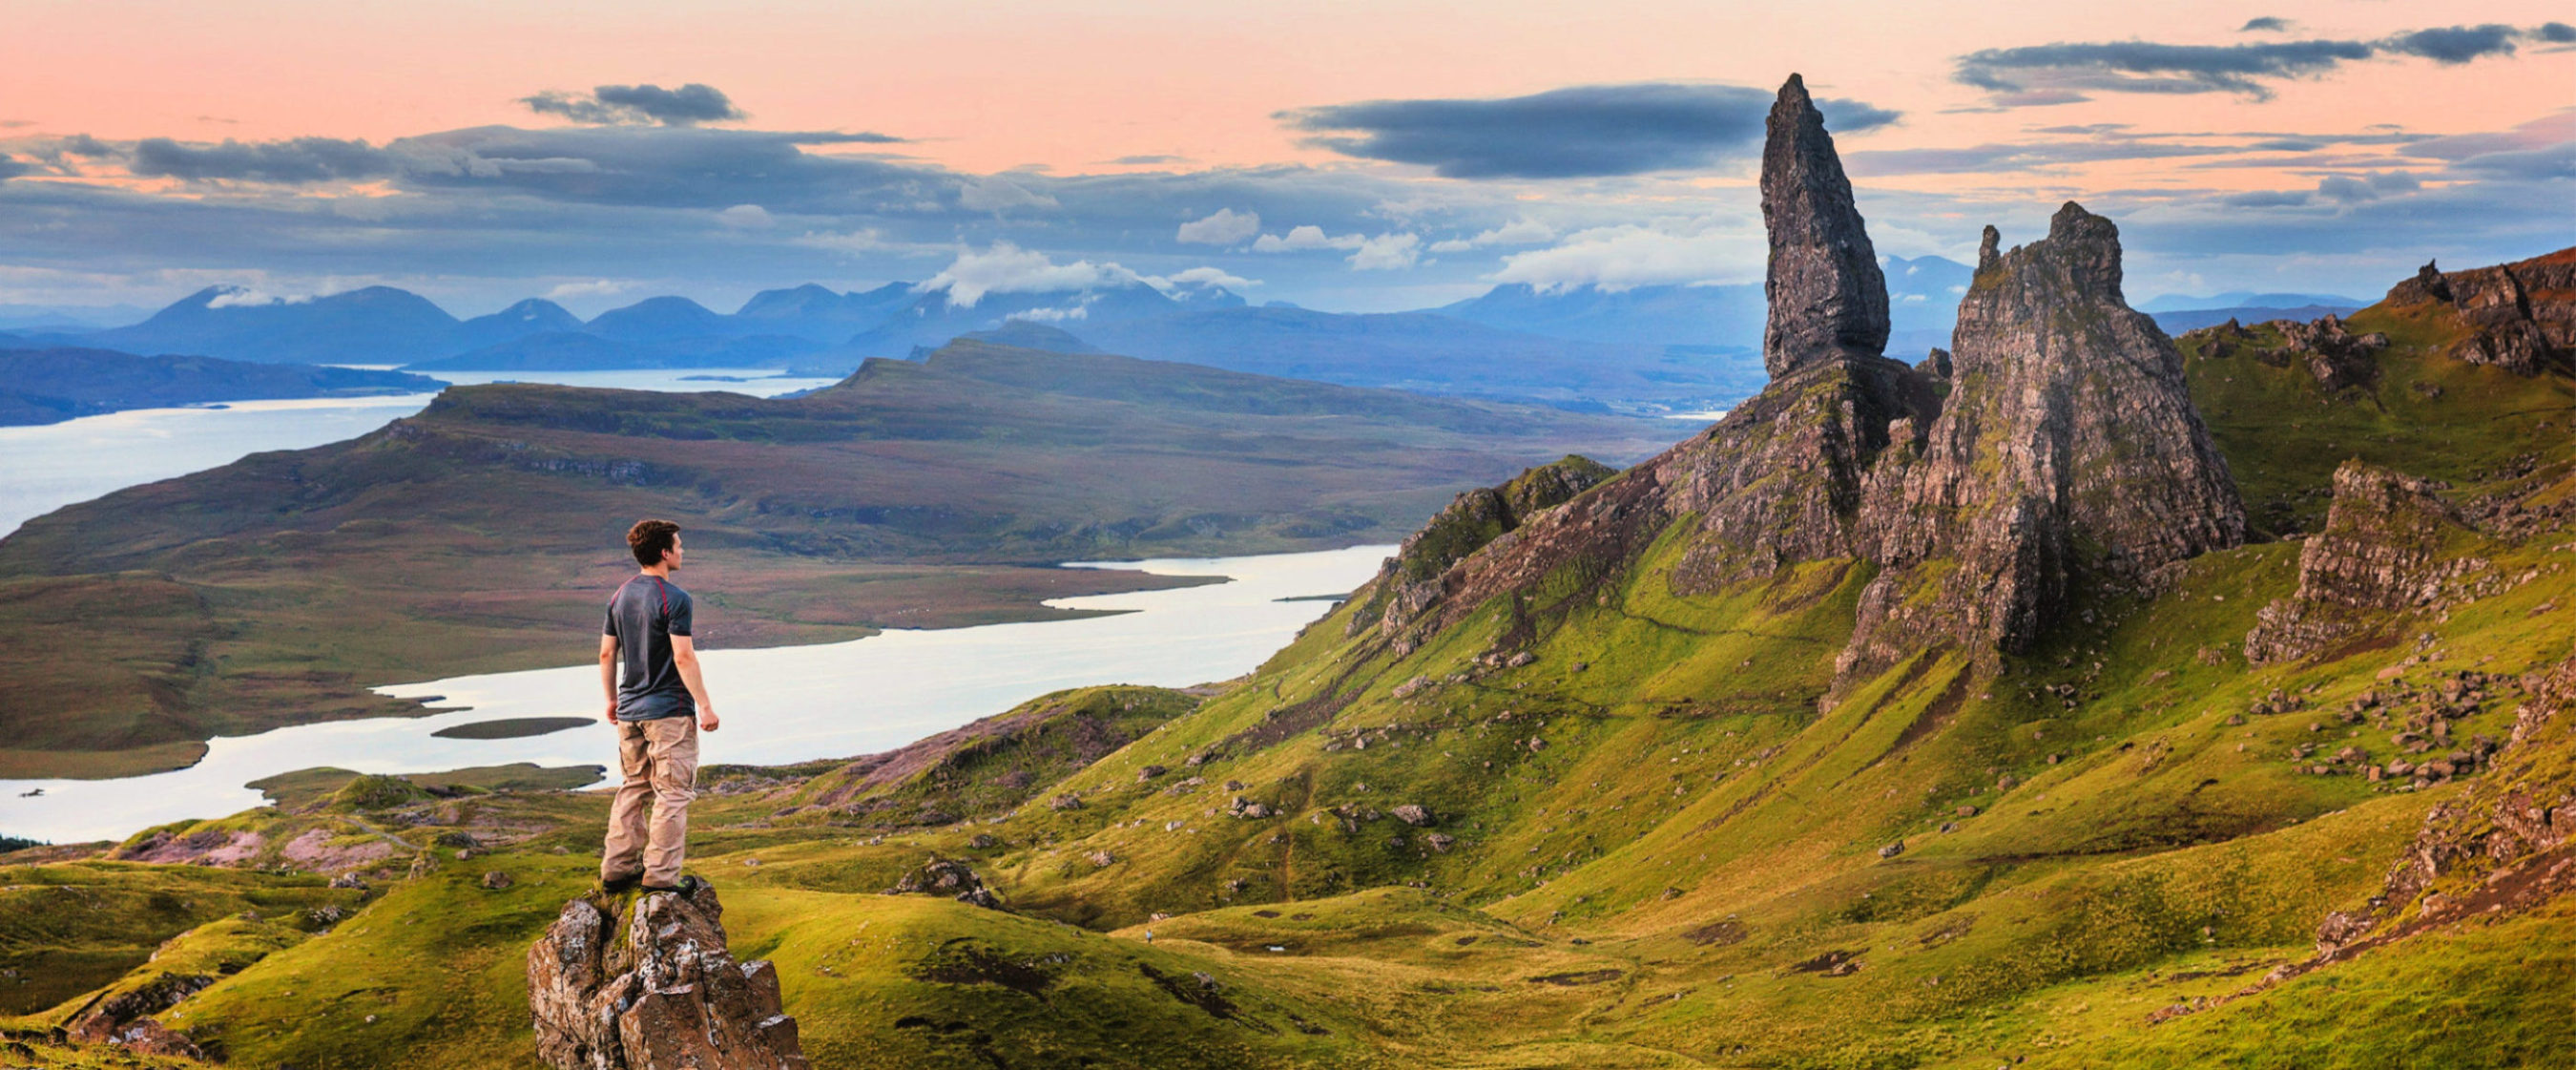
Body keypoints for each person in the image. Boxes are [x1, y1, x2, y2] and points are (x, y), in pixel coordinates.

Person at [598, 518, 719, 893]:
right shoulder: (675, 598)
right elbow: (683, 657)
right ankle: (661, 878)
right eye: (679, 546)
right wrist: (705, 706)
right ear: (665, 553)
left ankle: (616, 869)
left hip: (630, 711)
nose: (683, 552)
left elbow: (606, 653)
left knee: (634, 786)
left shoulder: (619, 596)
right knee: (672, 792)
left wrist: (612, 700)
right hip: (668, 711)